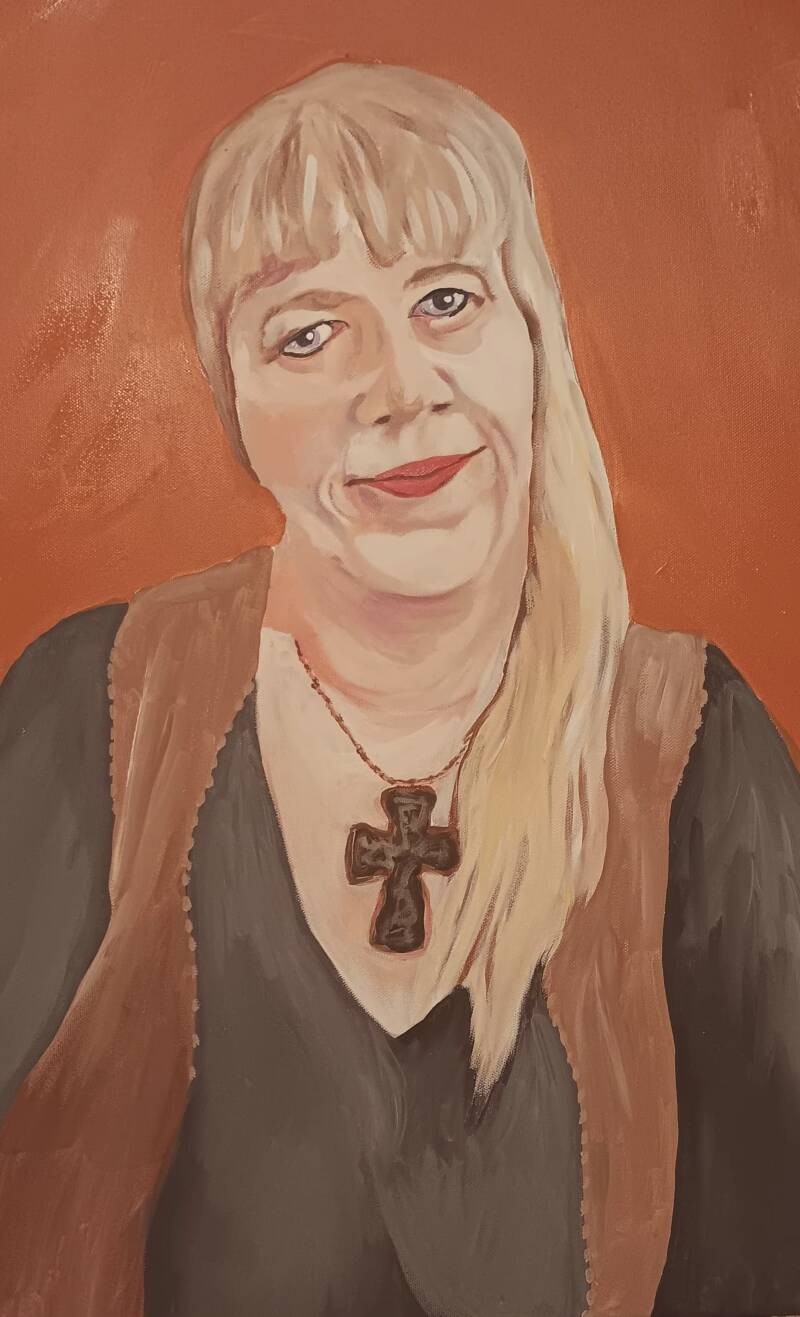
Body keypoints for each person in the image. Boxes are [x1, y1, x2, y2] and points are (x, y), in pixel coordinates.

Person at [1, 60, 799, 1317]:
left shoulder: (695, 751)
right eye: (306, 334)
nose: (398, 388)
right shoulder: (89, 712)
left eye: (445, 300)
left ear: (531, 335)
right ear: (232, 400)